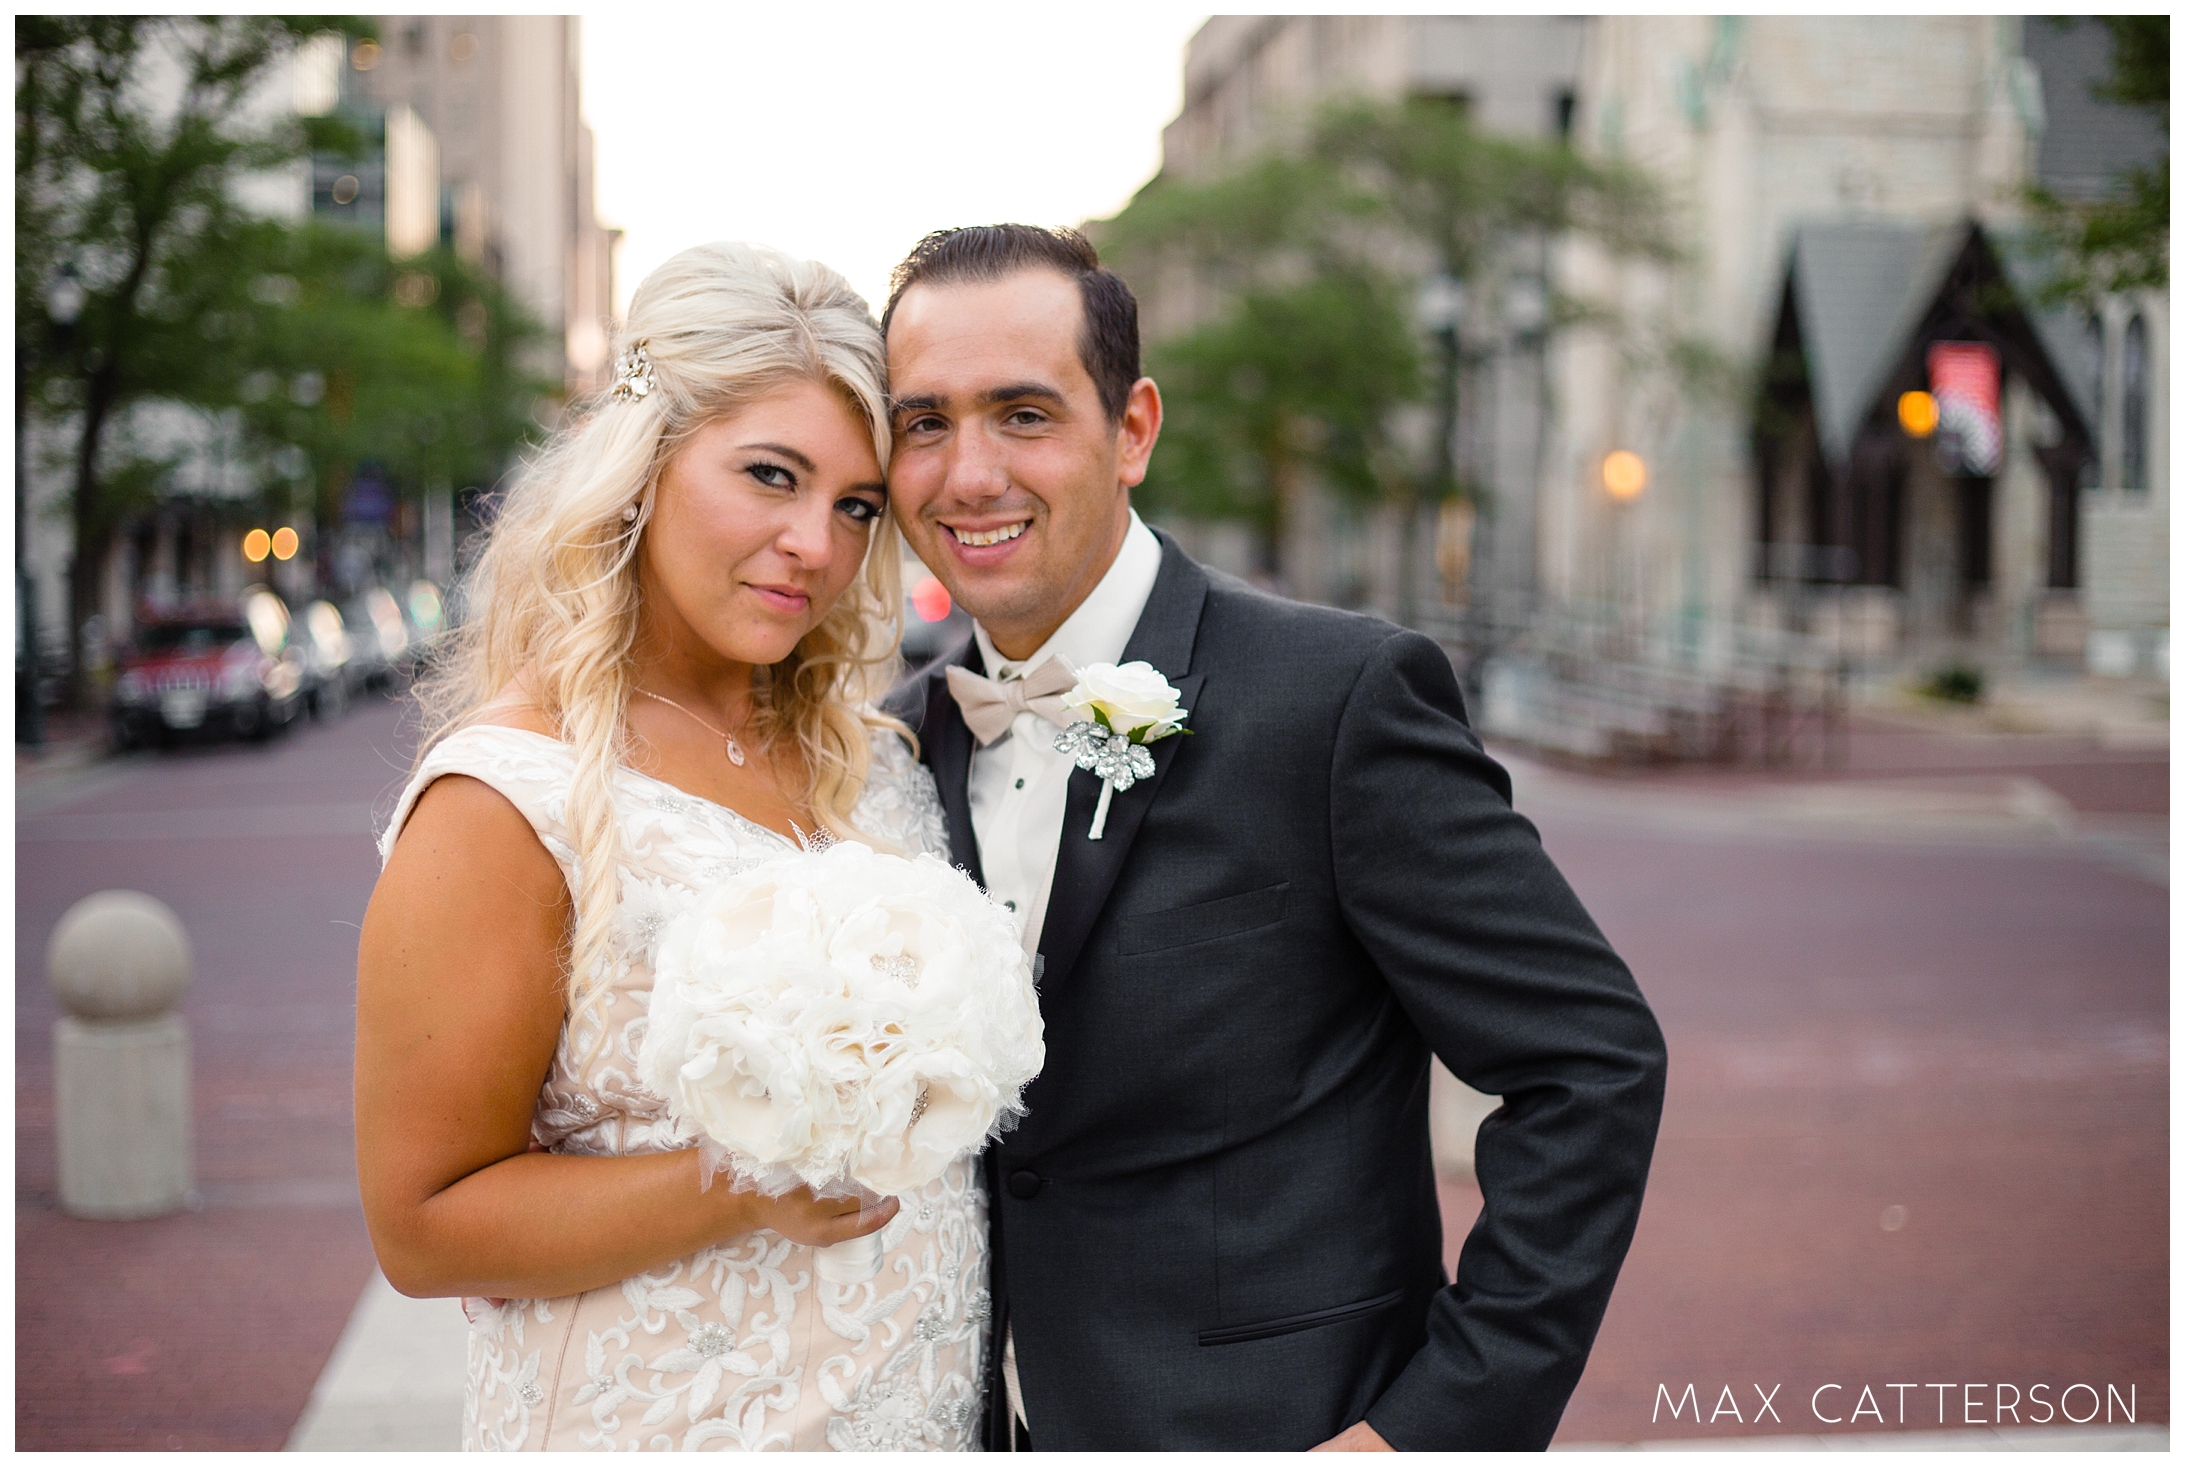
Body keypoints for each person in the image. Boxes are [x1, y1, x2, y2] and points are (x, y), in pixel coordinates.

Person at [882, 224, 1668, 1451]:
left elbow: (1590, 1064)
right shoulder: (895, 746)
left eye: (1023, 414)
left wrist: (1427, 1432)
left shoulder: (1338, 699)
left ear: (1132, 427)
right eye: (924, 422)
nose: (967, 473)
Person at [355, 242, 990, 1451]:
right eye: (769, 475)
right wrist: (745, 1186)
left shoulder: (881, 765)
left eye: (856, 506)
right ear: (643, 465)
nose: (817, 543)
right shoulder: (510, 794)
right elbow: (422, 1225)